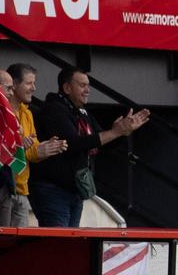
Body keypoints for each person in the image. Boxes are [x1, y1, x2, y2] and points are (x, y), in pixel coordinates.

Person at [27, 67, 150, 228]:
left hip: (74, 192)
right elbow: (74, 144)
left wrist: (123, 132)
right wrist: (114, 132)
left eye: (88, 86)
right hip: (53, 190)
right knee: (57, 244)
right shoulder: (54, 109)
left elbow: (102, 141)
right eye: (82, 85)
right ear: (67, 88)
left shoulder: (83, 113)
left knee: (69, 243)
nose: (87, 90)